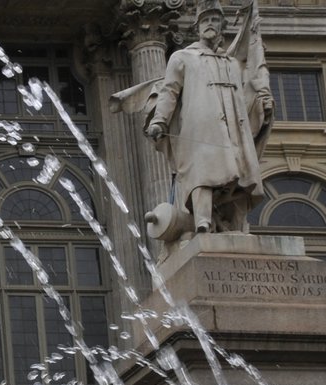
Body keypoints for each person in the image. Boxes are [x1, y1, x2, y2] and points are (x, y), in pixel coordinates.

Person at [115, 0, 273, 239]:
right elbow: (170, 91)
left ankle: (235, 225)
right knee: (203, 174)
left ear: (222, 27)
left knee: (241, 176)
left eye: (214, 21)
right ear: (198, 27)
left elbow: (247, 90)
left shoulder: (231, 63)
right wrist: (160, 120)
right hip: (201, 127)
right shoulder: (182, 57)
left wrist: (261, 102)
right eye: (205, 21)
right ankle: (202, 222)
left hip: (233, 127)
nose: (210, 25)